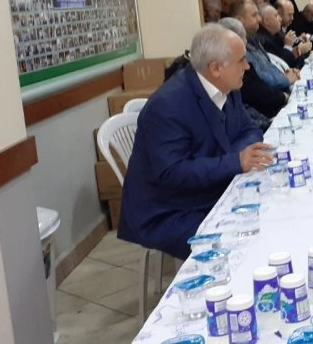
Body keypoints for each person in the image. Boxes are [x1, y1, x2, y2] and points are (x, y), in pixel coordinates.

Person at [118, 25, 275, 260]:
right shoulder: (168, 106)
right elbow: (171, 173)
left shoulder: (228, 86)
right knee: (246, 237)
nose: (247, 66)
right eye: (241, 61)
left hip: (209, 187)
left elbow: (250, 129)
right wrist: (234, 162)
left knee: (272, 209)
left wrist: (235, 159)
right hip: (170, 209)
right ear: (215, 68)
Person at [219, 17, 288, 120]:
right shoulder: (211, 93)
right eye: (241, 60)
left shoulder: (231, 87)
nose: (247, 66)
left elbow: (246, 120)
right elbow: (259, 91)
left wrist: (267, 123)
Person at [258, 3, 311, 69]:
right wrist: (291, 48)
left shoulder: (277, 34)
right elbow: (281, 65)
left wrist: (298, 46)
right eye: (276, 16)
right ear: (266, 21)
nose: (280, 19)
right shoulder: (263, 41)